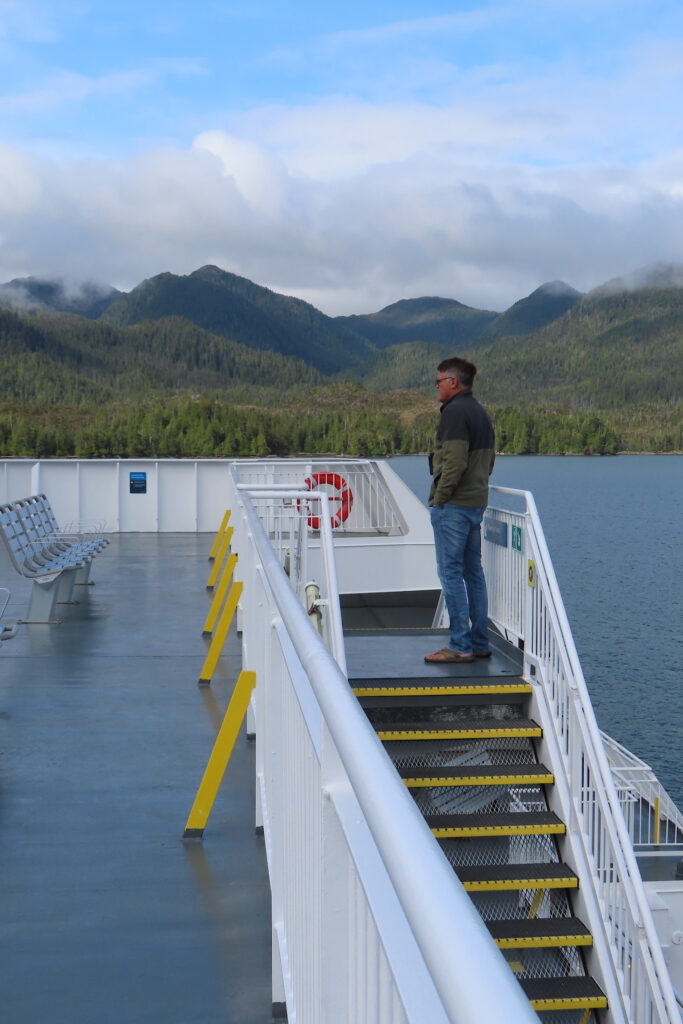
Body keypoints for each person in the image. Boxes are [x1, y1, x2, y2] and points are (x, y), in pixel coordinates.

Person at [425, 356, 496, 664]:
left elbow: (454, 463)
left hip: (453, 507)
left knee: (450, 573)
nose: (436, 387)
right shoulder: (480, 413)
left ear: (453, 382)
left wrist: (440, 498)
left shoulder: (454, 413)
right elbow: (489, 461)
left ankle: (459, 645)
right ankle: (479, 642)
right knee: (473, 574)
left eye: (439, 381)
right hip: (476, 504)